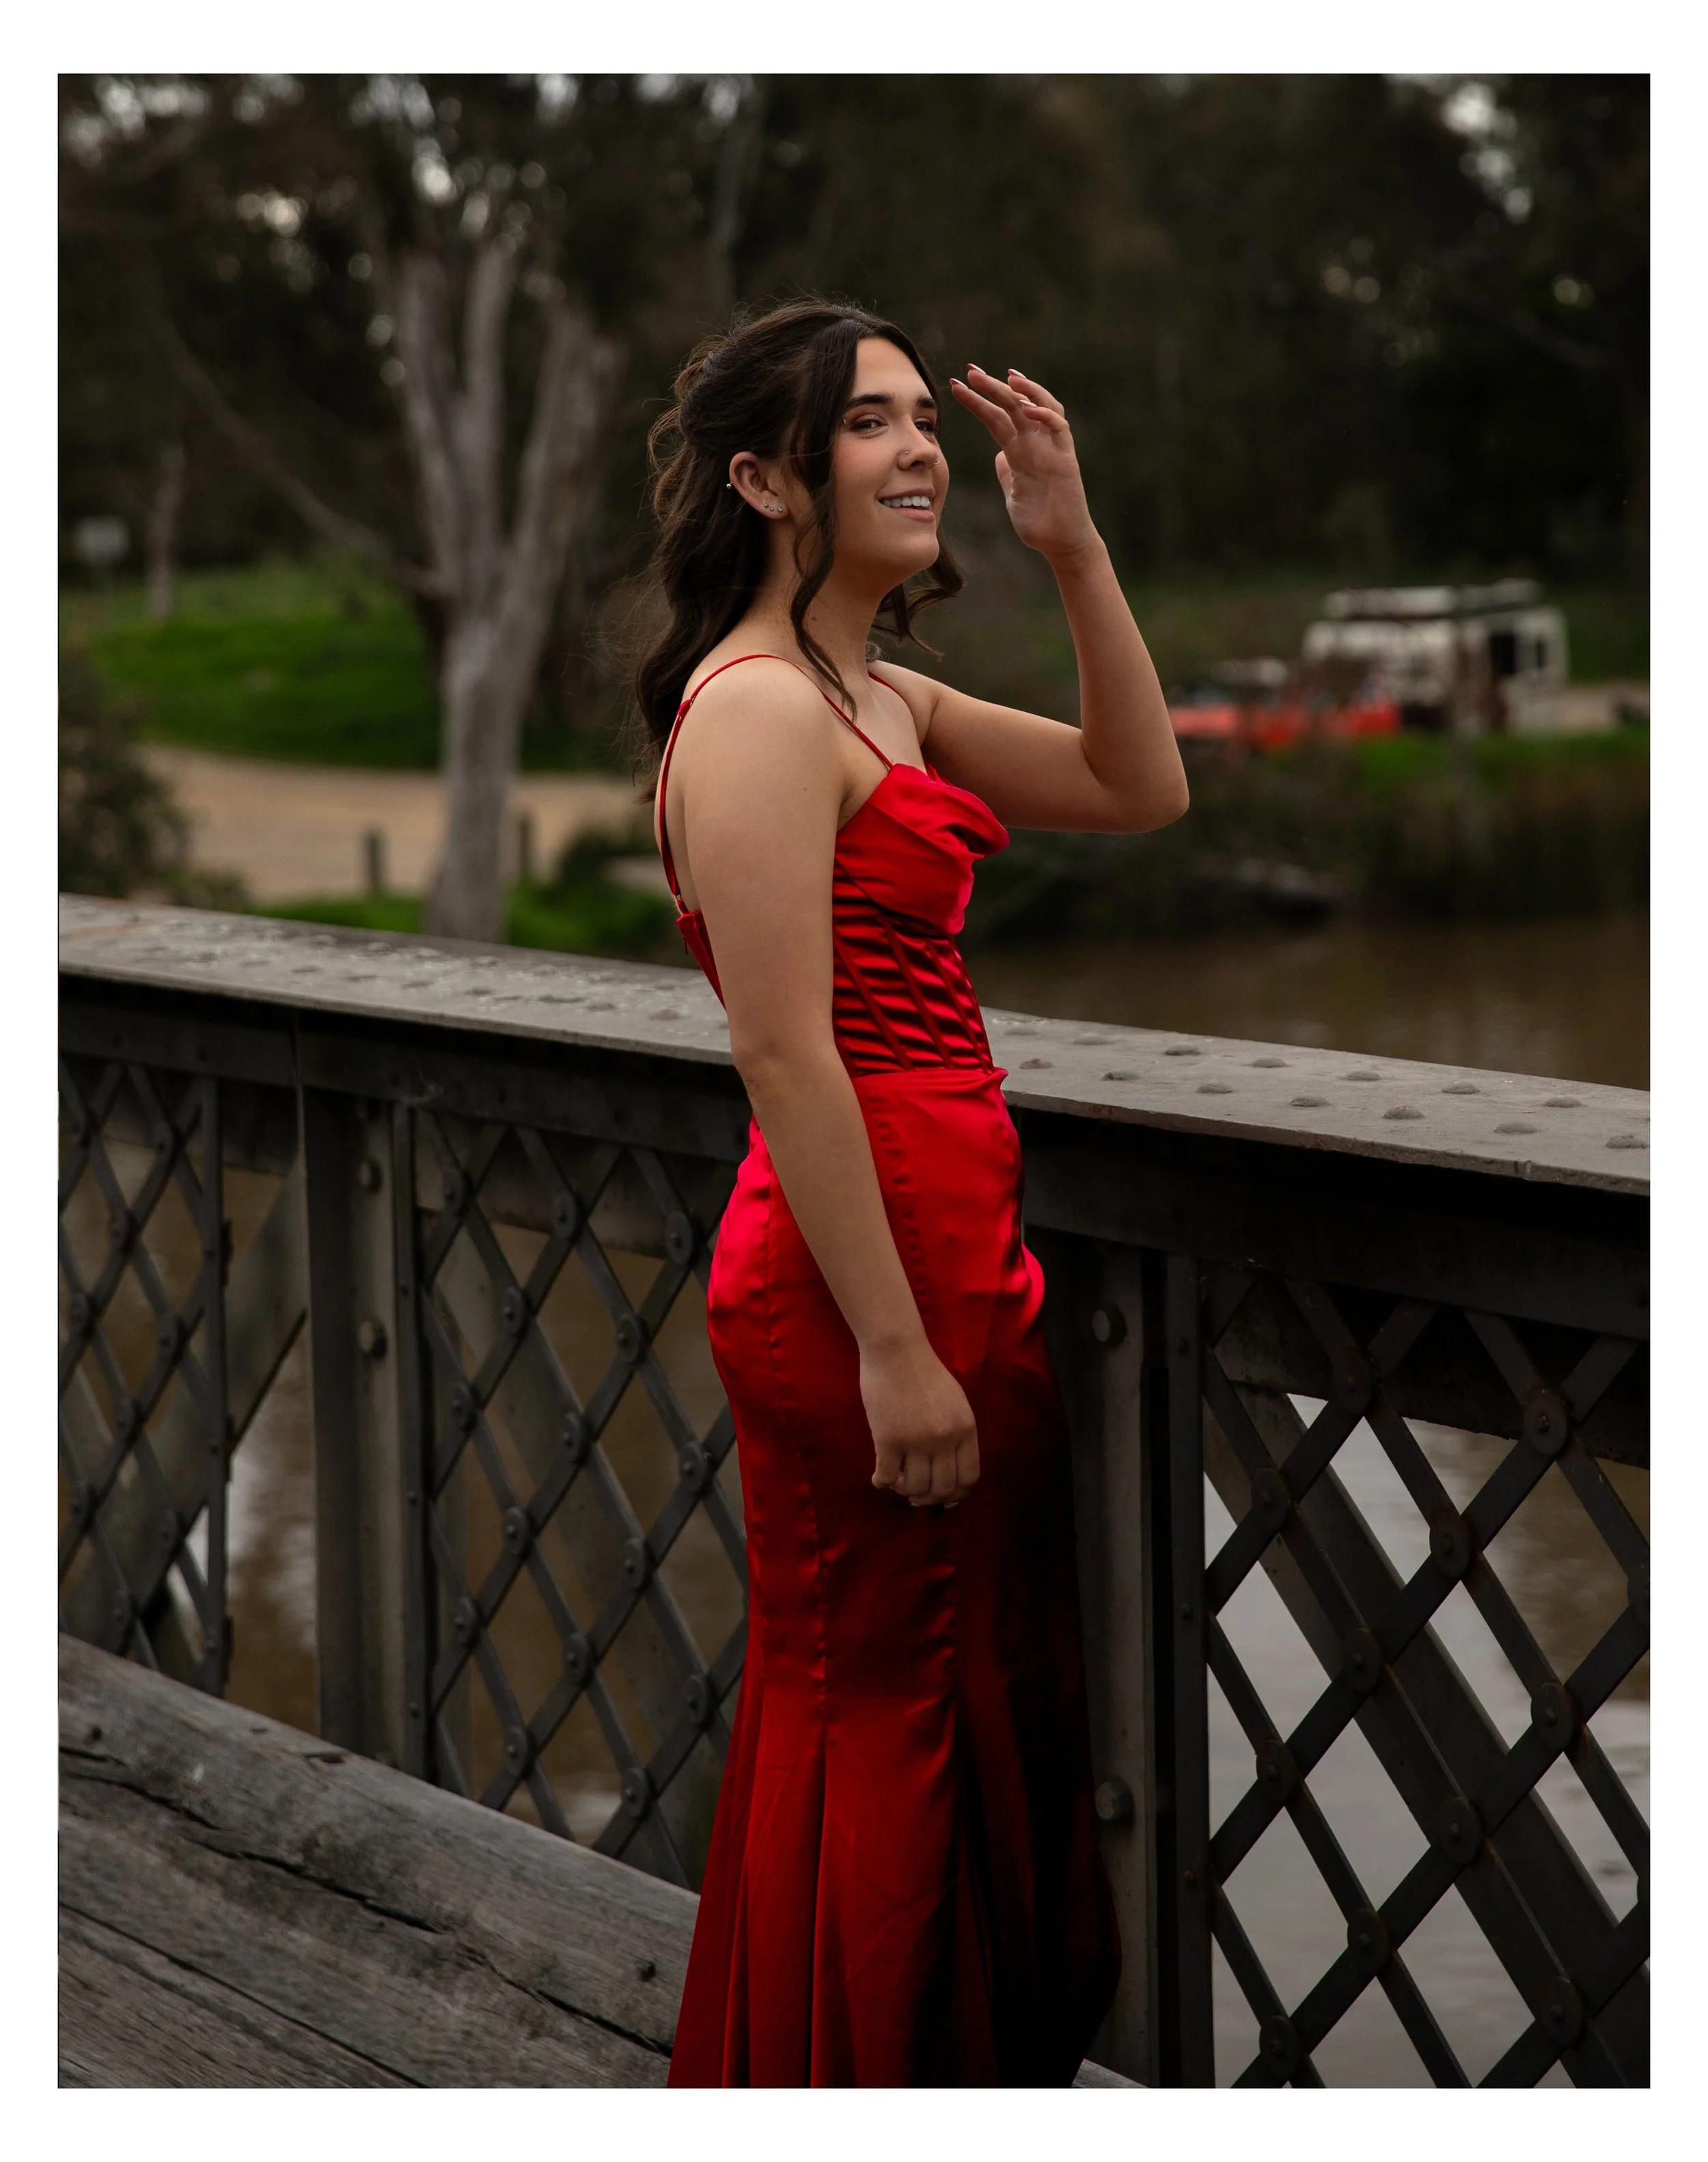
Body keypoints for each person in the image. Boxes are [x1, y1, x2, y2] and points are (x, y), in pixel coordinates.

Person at [637, 299, 1189, 2087]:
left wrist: (1071, 541)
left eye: (910, 415)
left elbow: (1137, 785)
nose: (912, 445)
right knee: (877, 1703)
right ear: (762, 478)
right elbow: (786, 1055)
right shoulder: (754, 715)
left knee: (969, 1690)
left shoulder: (880, 694)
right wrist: (890, 1349)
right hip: (855, 1287)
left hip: (956, 1259)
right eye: (863, 421)